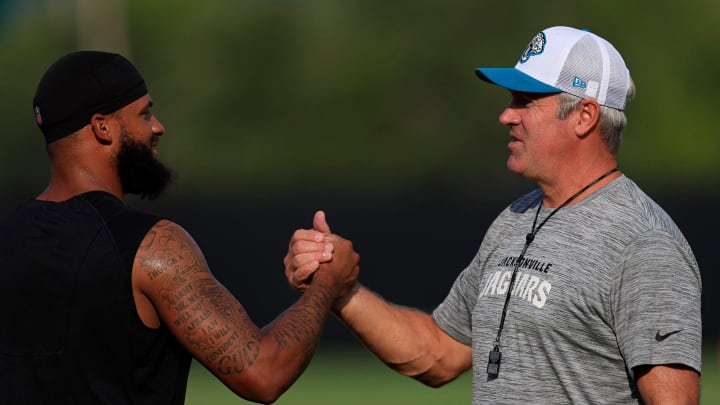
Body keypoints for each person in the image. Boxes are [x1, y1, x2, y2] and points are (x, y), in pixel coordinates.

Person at [285, 26, 702, 404]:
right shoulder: (516, 217)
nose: (506, 115)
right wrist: (342, 288)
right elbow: (437, 354)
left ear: (585, 116)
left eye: (526, 101)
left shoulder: (645, 243)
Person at [0, 50, 359, 404]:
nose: (157, 127)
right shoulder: (151, 246)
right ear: (102, 127)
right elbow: (263, 373)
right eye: (144, 114)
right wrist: (328, 281)